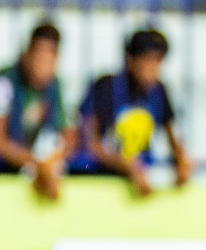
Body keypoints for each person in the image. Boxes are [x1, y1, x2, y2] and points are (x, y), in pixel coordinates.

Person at [80, 28, 192, 197]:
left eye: (158, 61)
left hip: (141, 180)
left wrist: (182, 161)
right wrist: (126, 166)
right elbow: (90, 144)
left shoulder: (159, 91)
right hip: (102, 181)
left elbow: (174, 138)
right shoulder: (107, 86)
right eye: (148, 60)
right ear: (130, 59)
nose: (154, 68)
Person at [0, 23, 73, 201]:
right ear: (26, 54)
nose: (42, 67)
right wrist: (37, 165)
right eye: (38, 58)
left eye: (49, 61)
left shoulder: (55, 85)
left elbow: (68, 137)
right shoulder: (4, 82)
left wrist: (49, 164)